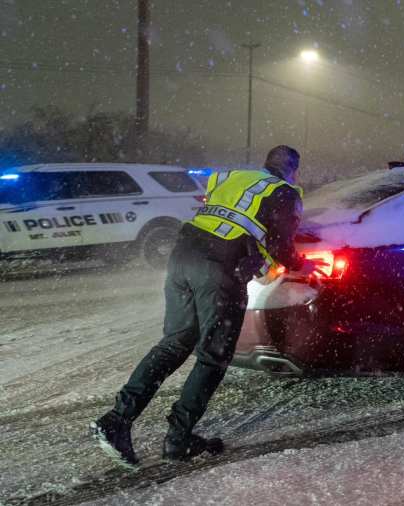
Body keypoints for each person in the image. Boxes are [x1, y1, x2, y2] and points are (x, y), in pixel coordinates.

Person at [90, 145, 308, 467]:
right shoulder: (285, 192)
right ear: (293, 170)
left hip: (182, 257)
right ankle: (178, 439)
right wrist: (299, 262)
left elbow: (231, 220)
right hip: (220, 270)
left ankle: (117, 420)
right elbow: (280, 247)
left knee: (174, 343)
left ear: (266, 163)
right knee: (213, 356)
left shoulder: (231, 177)